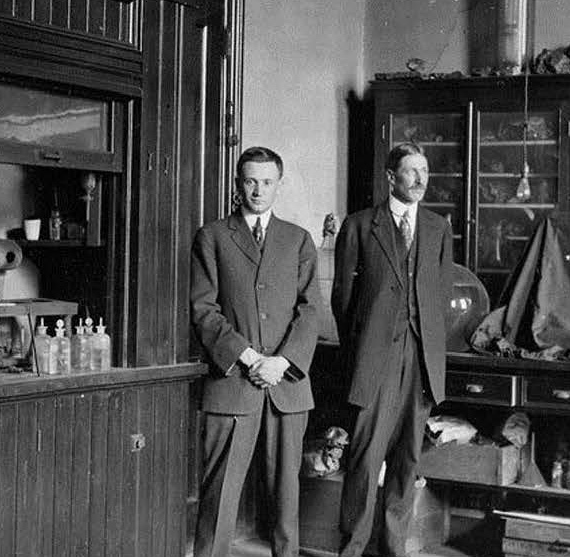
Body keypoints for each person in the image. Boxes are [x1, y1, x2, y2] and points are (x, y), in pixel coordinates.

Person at [191, 146, 321, 557]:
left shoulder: (298, 240)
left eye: (266, 182)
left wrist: (281, 362)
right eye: (250, 181)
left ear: (279, 186)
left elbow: (310, 309)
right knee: (220, 497)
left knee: (286, 497)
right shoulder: (212, 237)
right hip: (233, 380)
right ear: (237, 183)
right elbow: (202, 309)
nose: (258, 190)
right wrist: (249, 358)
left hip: (287, 384)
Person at [332, 142, 453, 557]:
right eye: (410, 171)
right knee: (365, 463)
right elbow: (343, 300)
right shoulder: (361, 225)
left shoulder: (437, 228)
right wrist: (365, 348)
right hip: (375, 361)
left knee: (407, 464)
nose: (420, 179)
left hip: (421, 363)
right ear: (390, 177)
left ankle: (392, 550)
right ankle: (352, 549)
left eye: (424, 170)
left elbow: (441, 297)